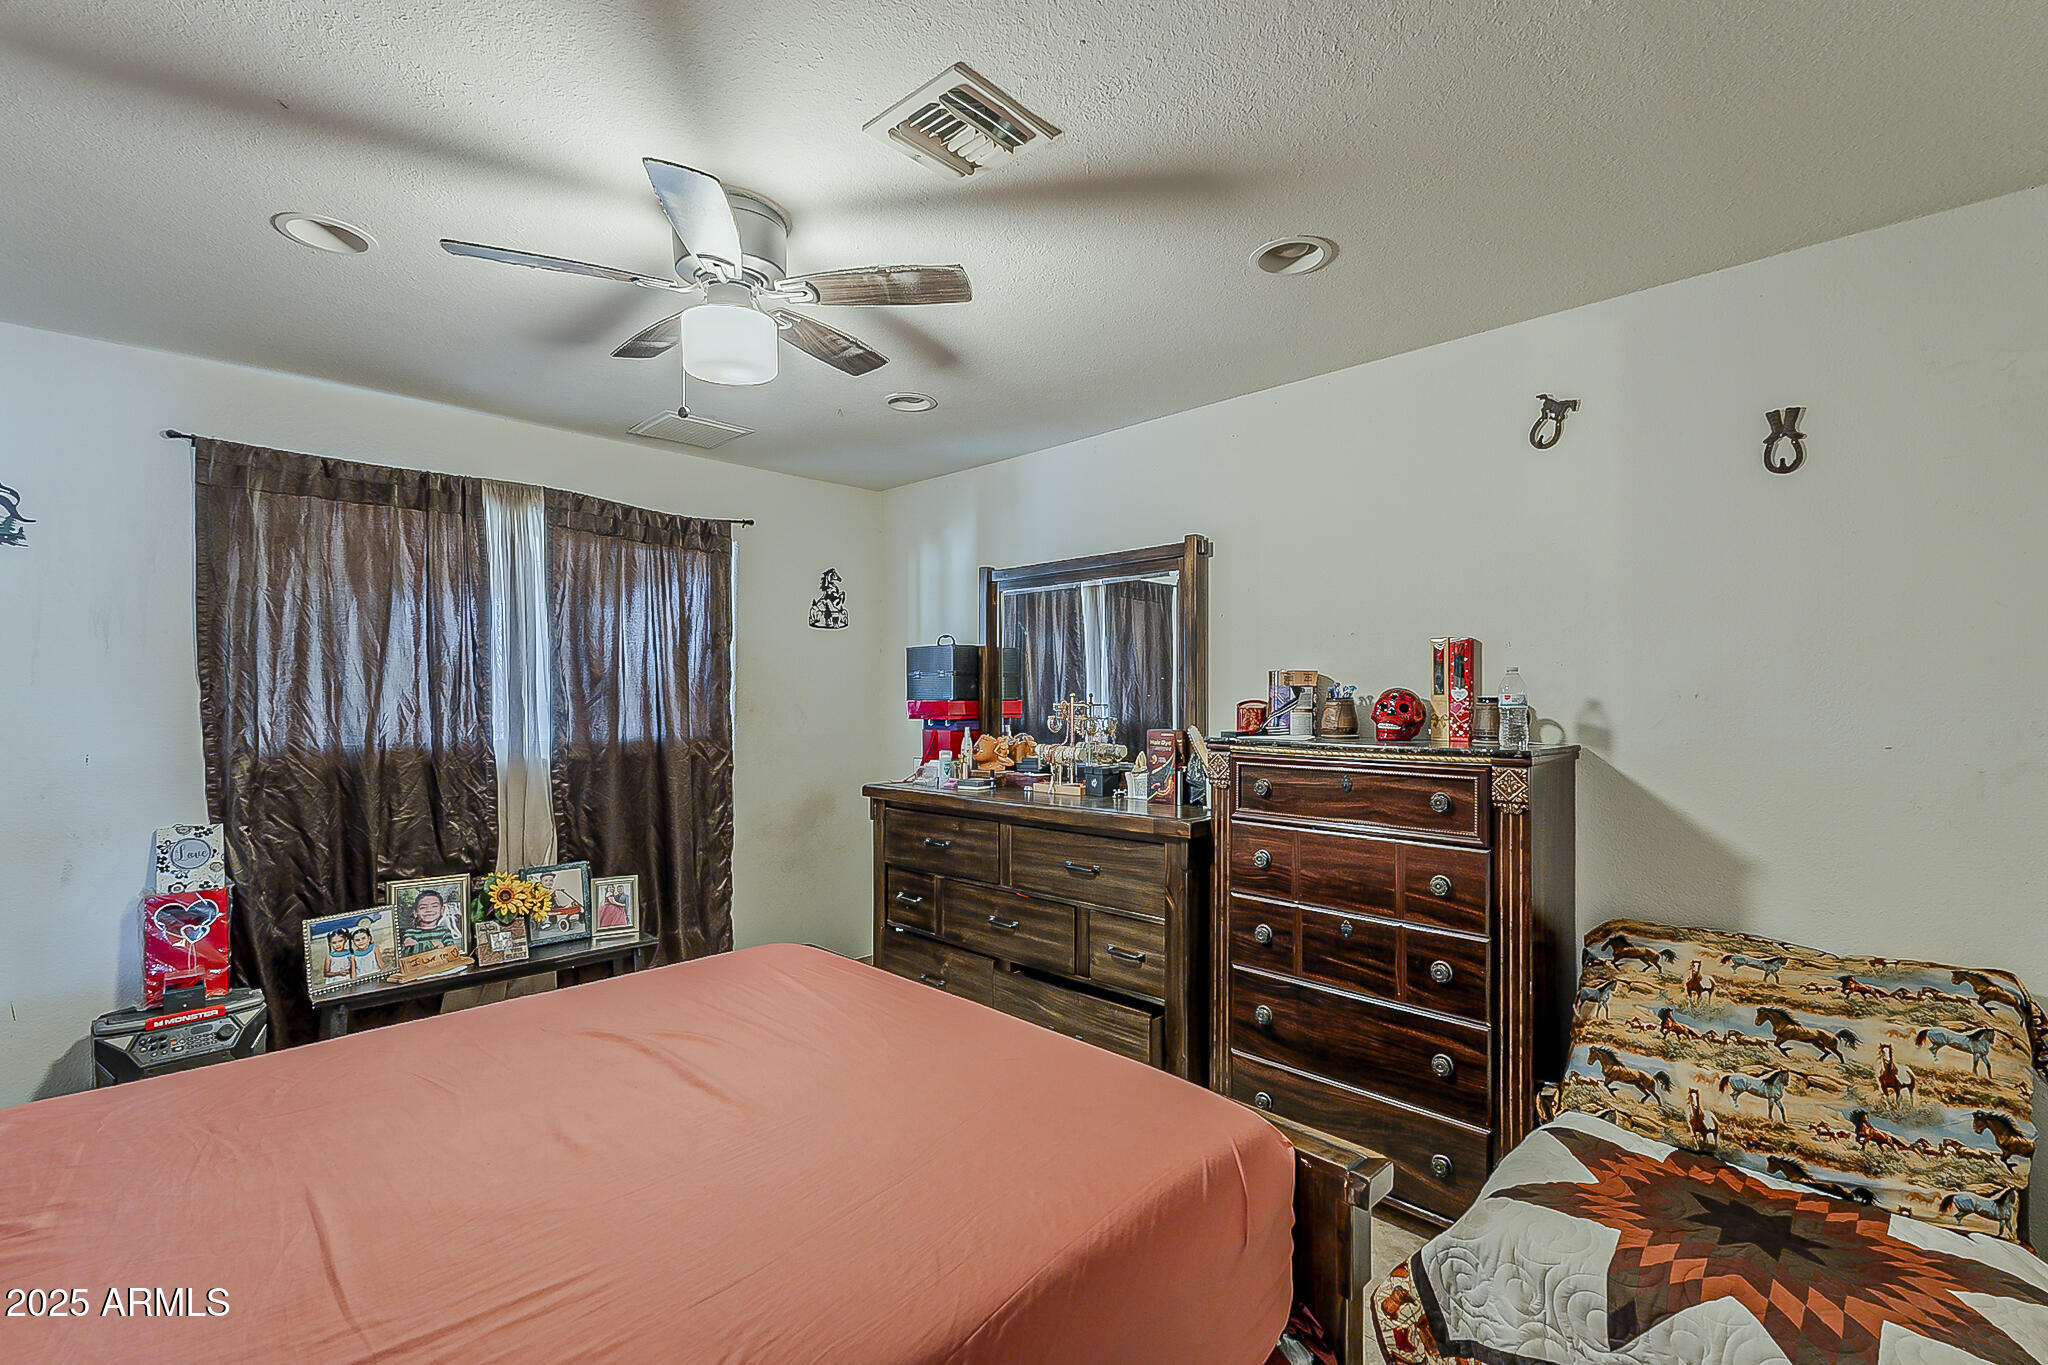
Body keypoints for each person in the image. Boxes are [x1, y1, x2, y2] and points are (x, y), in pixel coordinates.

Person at [400, 889, 459, 955]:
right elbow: (406, 952)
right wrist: (433, 944)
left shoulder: (445, 931)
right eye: (423, 907)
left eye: (434, 906)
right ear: (415, 913)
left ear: (442, 910)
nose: (429, 910)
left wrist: (418, 946)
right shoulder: (409, 932)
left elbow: (452, 952)